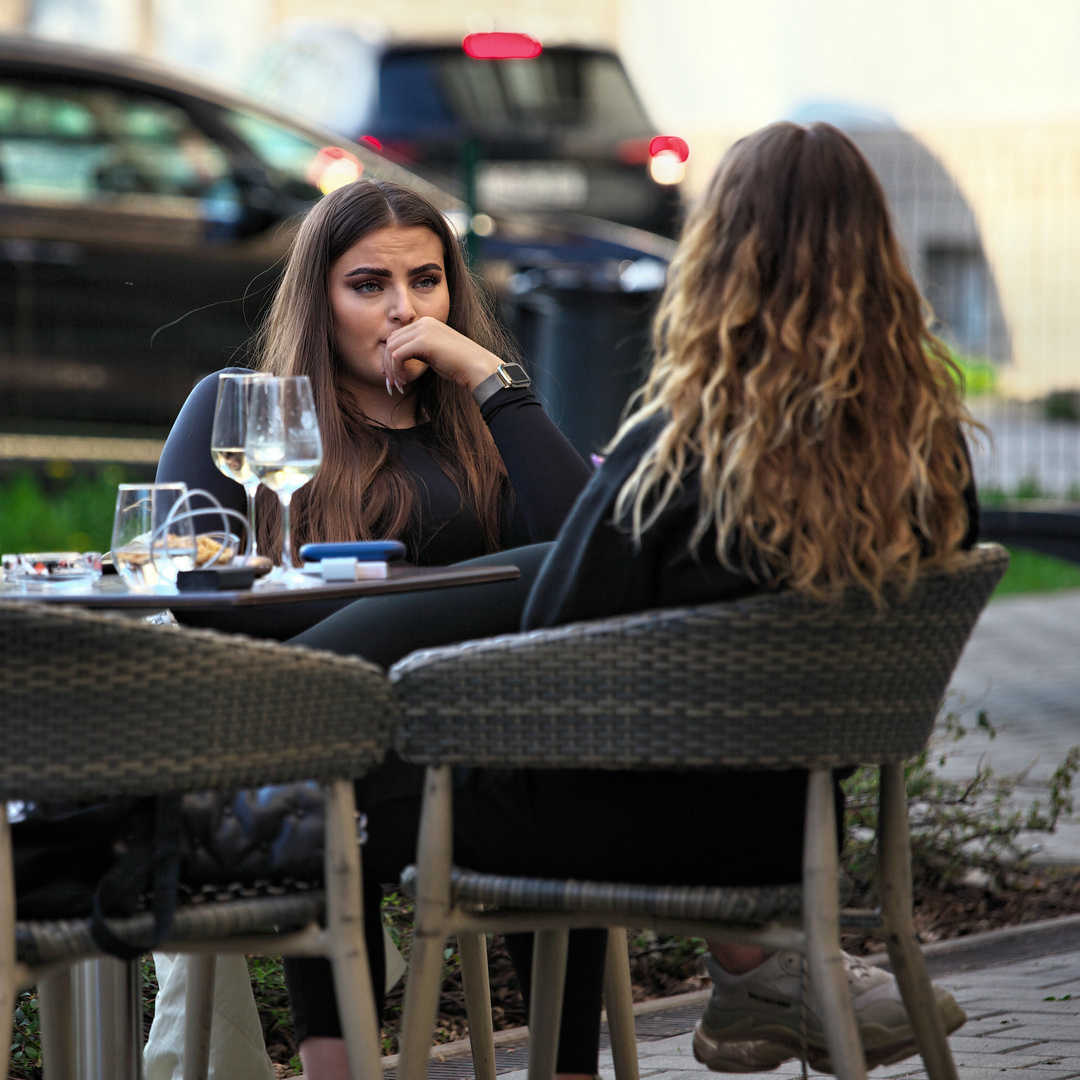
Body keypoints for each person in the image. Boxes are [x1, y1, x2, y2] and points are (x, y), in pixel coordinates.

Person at [289, 120, 978, 1079]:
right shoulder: (931, 449)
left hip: (640, 823)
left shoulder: (692, 447)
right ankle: (757, 968)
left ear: (719, 256)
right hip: (799, 819)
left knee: (338, 781)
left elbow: (555, 629)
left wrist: (491, 385)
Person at [147, 177, 593, 1080]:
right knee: (319, 764)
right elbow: (193, 589)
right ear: (320, 297)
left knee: (561, 777)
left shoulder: (485, 421)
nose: (404, 310)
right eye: (369, 286)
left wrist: (489, 378)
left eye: (427, 282)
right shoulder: (240, 409)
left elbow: (586, 562)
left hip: (468, 754)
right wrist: (443, 598)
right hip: (305, 759)